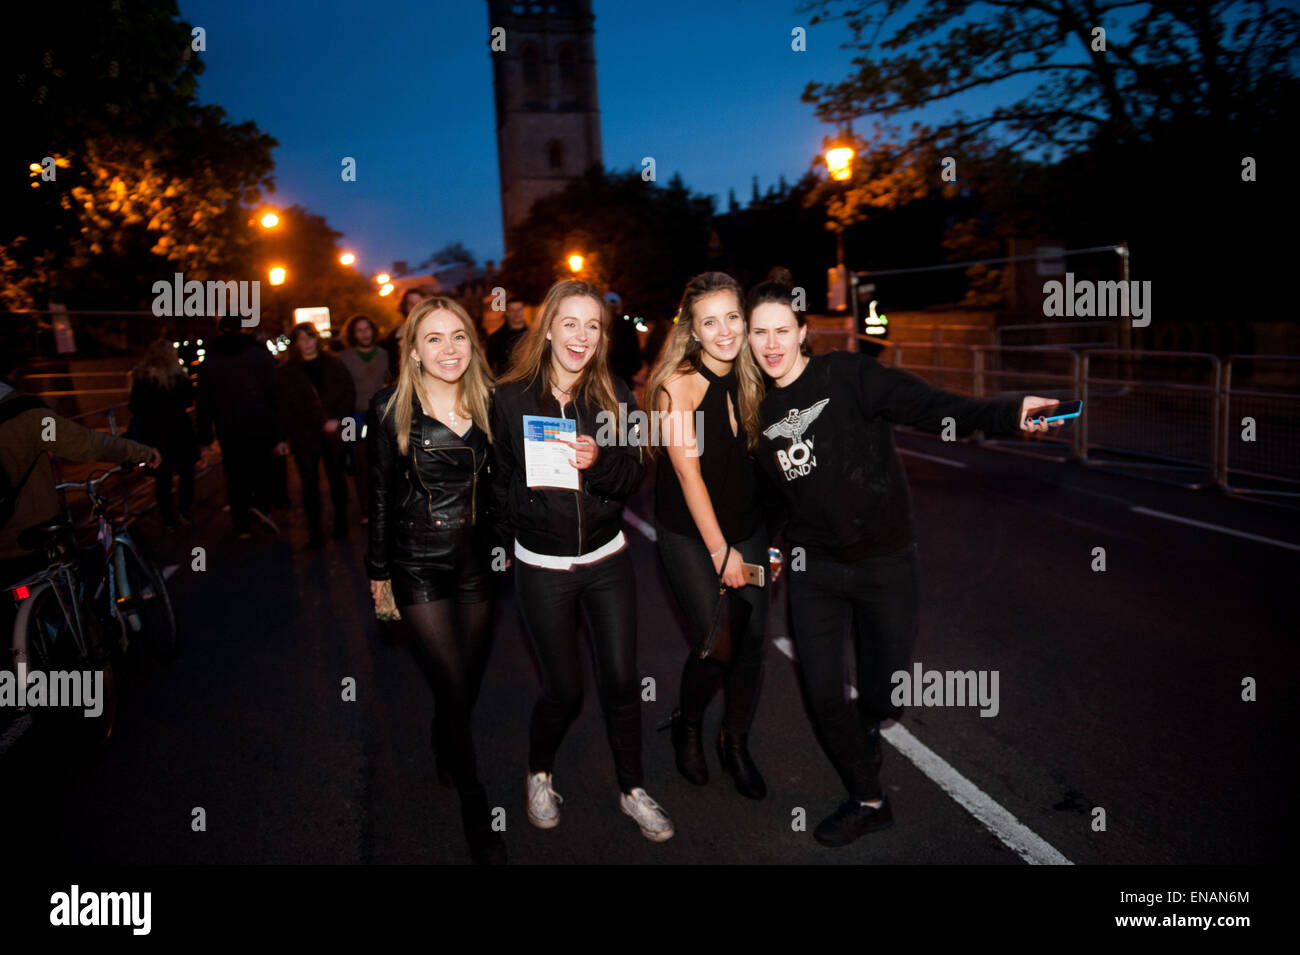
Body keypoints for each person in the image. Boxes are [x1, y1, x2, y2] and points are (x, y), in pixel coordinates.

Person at [747, 269, 1063, 847]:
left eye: (780, 330)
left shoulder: (846, 376)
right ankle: (869, 800)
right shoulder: (759, 415)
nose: (770, 344)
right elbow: (772, 499)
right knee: (821, 691)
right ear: (747, 340)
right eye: (758, 333)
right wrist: (768, 546)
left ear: (802, 331)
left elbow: (930, 406)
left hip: (885, 563)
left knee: (882, 695)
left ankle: (867, 721)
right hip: (814, 570)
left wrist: (1007, 413)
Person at [490, 279, 674, 842]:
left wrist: (596, 462)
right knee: (564, 689)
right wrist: (527, 505)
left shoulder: (615, 394)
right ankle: (538, 774)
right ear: (547, 328)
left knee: (621, 681)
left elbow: (634, 474)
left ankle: (633, 789)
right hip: (541, 567)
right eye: (570, 323)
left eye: (593, 326)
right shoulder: (509, 397)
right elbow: (496, 487)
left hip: (607, 558)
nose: (582, 336)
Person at [365, 296, 504, 865]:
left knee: (465, 681)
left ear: (472, 345)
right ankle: (476, 807)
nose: (448, 349)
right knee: (450, 682)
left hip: (478, 565)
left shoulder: (494, 403)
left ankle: (441, 731)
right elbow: (375, 497)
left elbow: (509, 484)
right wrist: (378, 574)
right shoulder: (389, 408)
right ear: (414, 351)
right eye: (434, 339)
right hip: (417, 563)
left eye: (458, 337)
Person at [645, 272, 771, 798]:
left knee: (752, 644)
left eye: (733, 318)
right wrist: (723, 554)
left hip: (748, 525)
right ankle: (688, 723)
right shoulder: (679, 383)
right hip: (691, 533)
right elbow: (689, 476)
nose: (724, 332)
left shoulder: (757, 373)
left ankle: (734, 743)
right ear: (693, 331)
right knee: (717, 643)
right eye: (710, 322)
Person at [1, 350, 160, 588]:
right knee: (74, 581)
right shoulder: (24, 414)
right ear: (12, 373)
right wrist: (142, 453)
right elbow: (87, 444)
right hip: (29, 538)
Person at [195, 314, 282, 540]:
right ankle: (262, 508)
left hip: (228, 423)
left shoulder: (212, 358)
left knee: (234, 472)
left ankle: (241, 522)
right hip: (259, 420)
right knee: (261, 467)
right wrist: (279, 430)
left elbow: (204, 399)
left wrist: (204, 435)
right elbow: (274, 393)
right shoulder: (259, 355)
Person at [277, 323, 356, 548]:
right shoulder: (288, 370)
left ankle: (340, 523)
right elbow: (282, 406)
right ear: (296, 343)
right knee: (309, 484)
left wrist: (338, 419)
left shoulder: (333, 363)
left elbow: (347, 392)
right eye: (301, 339)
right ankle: (315, 531)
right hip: (304, 435)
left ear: (316, 340)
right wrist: (283, 437)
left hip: (332, 432)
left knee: (336, 479)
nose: (307, 343)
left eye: (310, 338)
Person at [129, 340, 200, 530]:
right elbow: (189, 399)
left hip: (154, 434)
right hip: (179, 432)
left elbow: (134, 406)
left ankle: (168, 518)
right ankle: (184, 510)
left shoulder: (142, 378)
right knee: (186, 473)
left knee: (162, 477)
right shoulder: (178, 376)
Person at [336, 314, 388, 525]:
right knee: (359, 461)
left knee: (382, 461)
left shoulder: (384, 354)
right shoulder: (344, 358)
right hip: (354, 417)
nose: (364, 333)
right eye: (359, 330)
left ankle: (382, 504)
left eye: (367, 329)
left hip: (379, 415)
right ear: (353, 334)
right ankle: (365, 507)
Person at [384, 287, 435, 385]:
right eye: (411, 304)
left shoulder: (438, 330)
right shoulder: (394, 337)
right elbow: (391, 370)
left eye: (419, 303)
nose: (415, 307)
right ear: (404, 307)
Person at [605, 292, 643, 392]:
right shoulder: (627, 325)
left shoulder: (599, 324)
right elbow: (635, 352)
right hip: (623, 378)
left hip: (606, 377)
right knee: (622, 405)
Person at [485, 297, 528, 377]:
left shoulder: (534, 336)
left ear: (523, 311)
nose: (516, 313)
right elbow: (489, 366)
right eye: (512, 310)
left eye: (519, 309)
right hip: (505, 383)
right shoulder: (495, 339)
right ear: (507, 313)